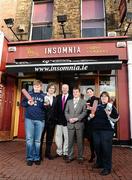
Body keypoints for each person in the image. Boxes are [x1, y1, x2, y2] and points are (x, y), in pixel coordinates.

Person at [90, 91, 119, 176]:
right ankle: (100, 163)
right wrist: (90, 117)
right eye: (102, 97)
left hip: (107, 131)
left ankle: (107, 168)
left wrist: (109, 115)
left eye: (105, 97)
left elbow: (116, 119)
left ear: (108, 98)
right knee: (97, 147)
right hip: (96, 131)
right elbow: (91, 118)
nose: (103, 98)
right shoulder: (97, 106)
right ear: (100, 98)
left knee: (106, 149)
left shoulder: (111, 107)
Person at [21, 80, 45, 166]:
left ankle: (37, 157)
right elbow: (22, 104)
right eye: (35, 86)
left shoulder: (44, 95)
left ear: (41, 87)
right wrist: (28, 102)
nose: (37, 87)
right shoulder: (29, 94)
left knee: (37, 140)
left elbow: (46, 108)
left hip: (40, 120)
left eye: (38, 86)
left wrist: (46, 104)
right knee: (29, 139)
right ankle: (30, 158)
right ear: (33, 86)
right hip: (29, 119)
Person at [65, 87, 87, 164]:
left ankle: (80, 157)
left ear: (79, 93)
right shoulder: (69, 102)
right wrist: (69, 119)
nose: (75, 93)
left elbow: (84, 112)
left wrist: (77, 118)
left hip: (79, 124)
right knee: (70, 141)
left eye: (76, 92)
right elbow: (66, 112)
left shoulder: (83, 102)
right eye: (74, 92)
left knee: (80, 142)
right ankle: (70, 156)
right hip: (70, 124)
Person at [40, 82, 57, 160]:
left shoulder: (55, 99)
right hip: (43, 120)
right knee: (40, 138)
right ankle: (39, 154)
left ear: (54, 90)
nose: (51, 89)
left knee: (49, 139)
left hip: (52, 122)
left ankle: (48, 153)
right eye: (50, 88)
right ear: (48, 89)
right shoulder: (43, 96)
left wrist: (55, 120)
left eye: (53, 88)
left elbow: (56, 110)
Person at [55, 84, 72, 160]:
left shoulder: (71, 97)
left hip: (67, 121)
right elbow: (55, 108)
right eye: (63, 88)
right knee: (58, 137)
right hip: (58, 120)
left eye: (66, 88)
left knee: (67, 137)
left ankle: (65, 153)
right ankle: (59, 152)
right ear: (61, 89)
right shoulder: (58, 97)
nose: (64, 89)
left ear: (68, 89)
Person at [85, 88, 98, 163]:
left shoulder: (97, 99)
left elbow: (97, 110)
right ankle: (92, 155)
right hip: (89, 123)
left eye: (90, 91)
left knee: (96, 141)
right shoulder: (87, 101)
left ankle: (98, 156)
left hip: (96, 123)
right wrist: (88, 117)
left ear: (93, 92)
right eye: (88, 92)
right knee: (91, 141)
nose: (89, 93)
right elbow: (87, 112)